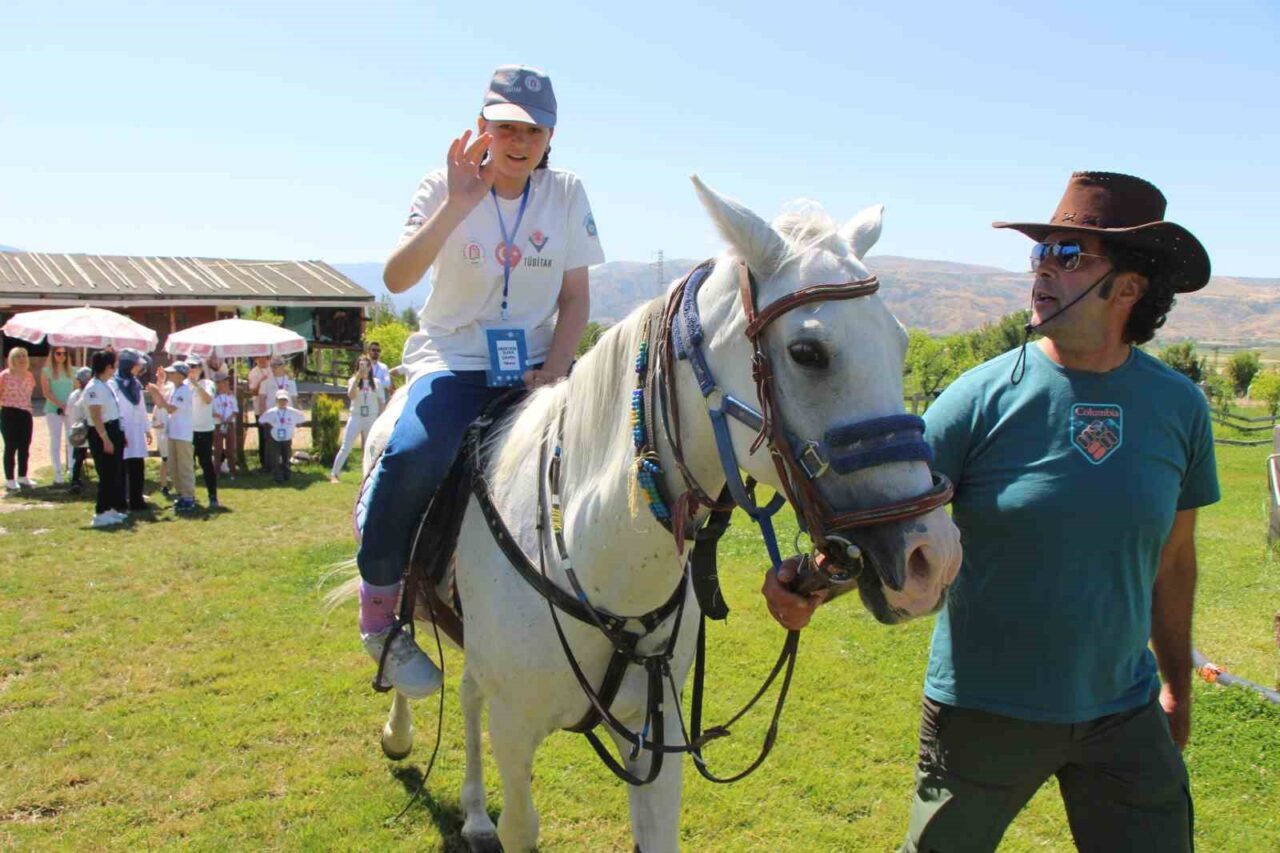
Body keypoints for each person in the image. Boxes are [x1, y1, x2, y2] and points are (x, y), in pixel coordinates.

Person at [762, 172, 1217, 852]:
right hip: (982, 711)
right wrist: (813, 583)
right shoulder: (977, 400)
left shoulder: (1180, 407)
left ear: (1128, 288)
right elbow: (893, 521)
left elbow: (1174, 563)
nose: (1043, 269)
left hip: (1122, 711)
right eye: (1042, 252)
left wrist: (1177, 685)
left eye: (1070, 255)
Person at [355, 64, 603, 697]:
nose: (519, 141)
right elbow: (396, 278)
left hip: (539, 366)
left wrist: (556, 368)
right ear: (481, 126)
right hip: (453, 359)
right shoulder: (443, 184)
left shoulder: (566, 193)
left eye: (534, 130)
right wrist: (457, 205)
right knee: (414, 453)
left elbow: (576, 298)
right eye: (506, 127)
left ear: (551, 136)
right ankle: (381, 616)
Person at [83, 349, 127, 527]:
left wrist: (120, 434)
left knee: (115, 472)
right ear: (108, 366)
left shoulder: (107, 384)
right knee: (106, 473)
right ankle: (100, 513)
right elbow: (96, 416)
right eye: (114, 365)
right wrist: (105, 438)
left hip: (114, 428)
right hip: (102, 432)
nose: (115, 368)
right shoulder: (93, 387)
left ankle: (111, 509)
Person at [329, 355, 386, 482]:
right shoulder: (352, 380)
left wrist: (380, 419)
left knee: (371, 448)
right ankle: (334, 474)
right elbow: (351, 395)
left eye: (366, 365)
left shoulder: (376, 383)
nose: (363, 368)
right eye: (361, 365)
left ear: (370, 367)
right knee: (346, 446)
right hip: (356, 417)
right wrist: (357, 378)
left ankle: (368, 475)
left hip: (371, 418)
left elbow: (382, 402)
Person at [112, 348, 153, 512]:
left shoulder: (136, 384)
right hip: (122, 430)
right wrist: (119, 431)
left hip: (136, 430)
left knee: (137, 466)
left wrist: (147, 429)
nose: (139, 368)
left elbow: (141, 408)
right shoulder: (114, 384)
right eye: (136, 365)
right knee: (121, 467)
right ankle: (121, 501)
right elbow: (114, 409)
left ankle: (137, 500)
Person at [151, 361, 196, 512]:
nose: (169, 374)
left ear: (180, 375)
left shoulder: (185, 390)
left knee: (184, 466)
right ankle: (181, 494)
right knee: (173, 466)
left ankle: (188, 497)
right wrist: (158, 387)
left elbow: (170, 408)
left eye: (172, 372)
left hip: (183, 434)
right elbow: (161, 404)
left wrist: (156, 393)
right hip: (173, 432)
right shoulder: (174, 389)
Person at [1, 347, 38, 491]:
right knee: (11, 446)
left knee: (25, 446)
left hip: (26, 413)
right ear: (12, 359)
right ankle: (10, 479)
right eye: (18, 356)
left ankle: (23, 476)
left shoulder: (29, 375)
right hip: (9, 413)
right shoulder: (5, 375)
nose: (21, 359)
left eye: (24, 356)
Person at [40, 345, 75, 484]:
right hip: (53, 409)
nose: (61, 356)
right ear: (53, 355)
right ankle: (57, 473)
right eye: (58, 353)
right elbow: (46, 392)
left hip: (70, 410)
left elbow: (76, 389)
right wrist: (61, 405)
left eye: (64, 353)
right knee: (55, 440)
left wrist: (69, 406)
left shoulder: (73, 371)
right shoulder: (46, 371)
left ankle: (72, 470)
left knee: (71, 439)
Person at [187, 357, 218, 509]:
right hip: (188, 430)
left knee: (206, 464)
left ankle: (212, 496)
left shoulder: (208, 383)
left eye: (194, 366)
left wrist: (196, 385)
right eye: (189, 366)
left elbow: (208, 400)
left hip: (204, 430)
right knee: (188, 465)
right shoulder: (183, 385)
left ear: (201, 368)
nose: (191, 369)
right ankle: (188, 496)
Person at [258, 390, 305, 482]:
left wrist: (295, 425)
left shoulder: (293, 412)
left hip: (287, 438)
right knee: (275, 457)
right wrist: (270, 425)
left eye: (284, 400)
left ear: (287, 401)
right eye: (280, 400)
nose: (282, 402)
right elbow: (261, 420)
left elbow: (302, 419)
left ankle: (286, 474)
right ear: (276, 401)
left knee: (286, 456)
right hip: (275, 437)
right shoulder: (271, 412)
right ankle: (277, 475)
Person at [66, 366, 92, 494]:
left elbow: (69, 413)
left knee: (79, 456)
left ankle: (75, 480)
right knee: (80, 456)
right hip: (84, 428)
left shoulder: (76, 394)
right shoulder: (79, 395)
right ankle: (75, 480)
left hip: (82, 428)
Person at [151, 363, 173, 497]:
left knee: (175, 460)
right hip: (164, 438)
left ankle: (176, 484)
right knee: (165, 460)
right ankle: (164, 485)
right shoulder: (157, 408)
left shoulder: (170, 404)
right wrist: (160, 381)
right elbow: (155, 423)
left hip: (174, 435)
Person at [212, 372, 239, 479]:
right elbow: (211, 412)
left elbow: (235, 411)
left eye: (227, 381)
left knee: (230, 449)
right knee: (217, 449)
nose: (226, 383)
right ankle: (216, 472)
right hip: (218, 424)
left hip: (229, 424)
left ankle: (232, 471)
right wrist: (219, 416)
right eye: (223, 381)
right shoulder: (214, 397)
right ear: (218, 383)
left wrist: (229, 418)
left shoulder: (231, 396)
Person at [247, 355, 272, 471]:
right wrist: (261, 382)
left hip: (274, 408)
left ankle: (276, 461)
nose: (261, 360)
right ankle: (264, 463)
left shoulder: (273, 369)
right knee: (263, 437)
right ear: (255, 359)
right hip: (260, 409)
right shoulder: (254, 372)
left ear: (268, 358)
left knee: (275, 436)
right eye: (259, 358)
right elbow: (253, 392)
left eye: (264, 357)